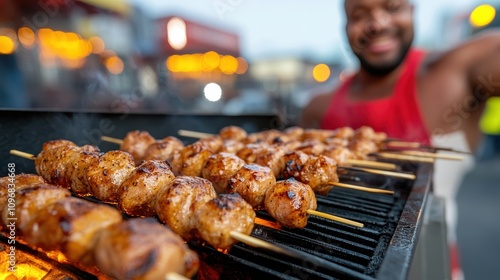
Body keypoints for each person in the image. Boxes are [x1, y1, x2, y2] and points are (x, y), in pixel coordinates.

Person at [299, 0, 499, 279]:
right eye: (359, 15)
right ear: (345, 25)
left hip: (432, 268)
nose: (378, 24)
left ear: (412, 11)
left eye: (393, 8)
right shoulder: (317, 107)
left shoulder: (454, 72)